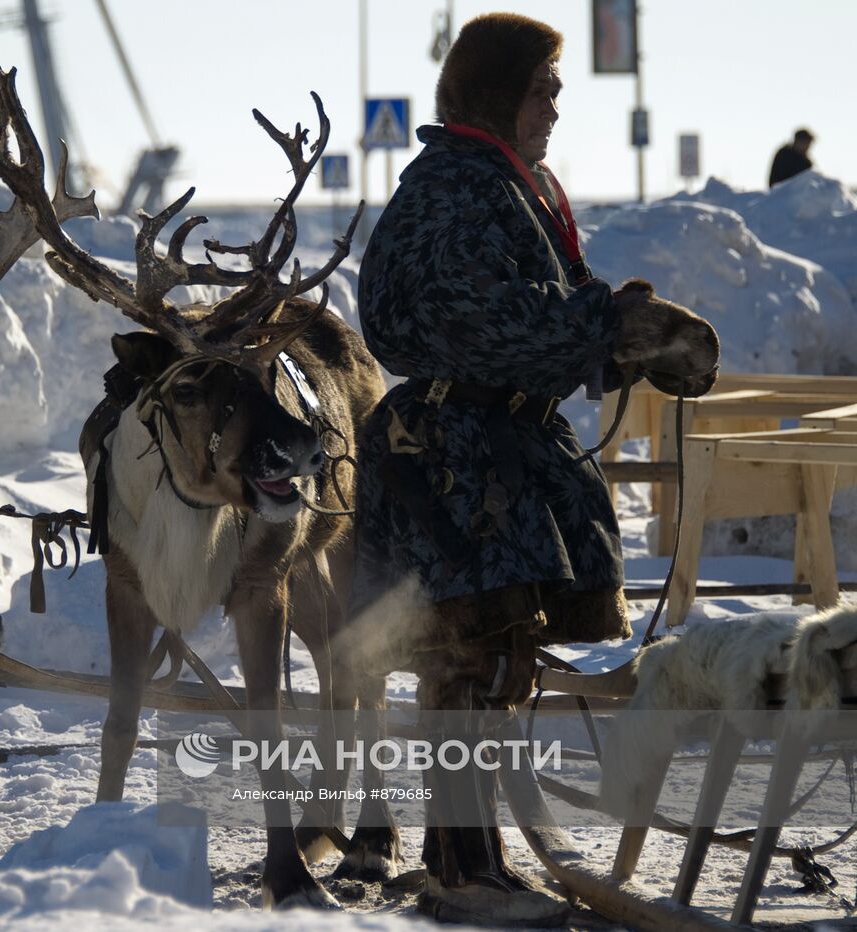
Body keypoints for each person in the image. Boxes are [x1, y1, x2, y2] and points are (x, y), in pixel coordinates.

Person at [353, 12, 719, 926]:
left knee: (501, 659)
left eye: (555, 91)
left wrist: (622, 340)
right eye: (540, 89)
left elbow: (542, 312)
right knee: (469, 658)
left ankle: (468, 857)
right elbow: (481, 321)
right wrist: (611, 328)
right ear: (494, 93)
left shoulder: (512, 183)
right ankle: (464, 873)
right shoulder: (455, 188)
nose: (554, 107)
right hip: (452, 457)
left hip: (502, 448)